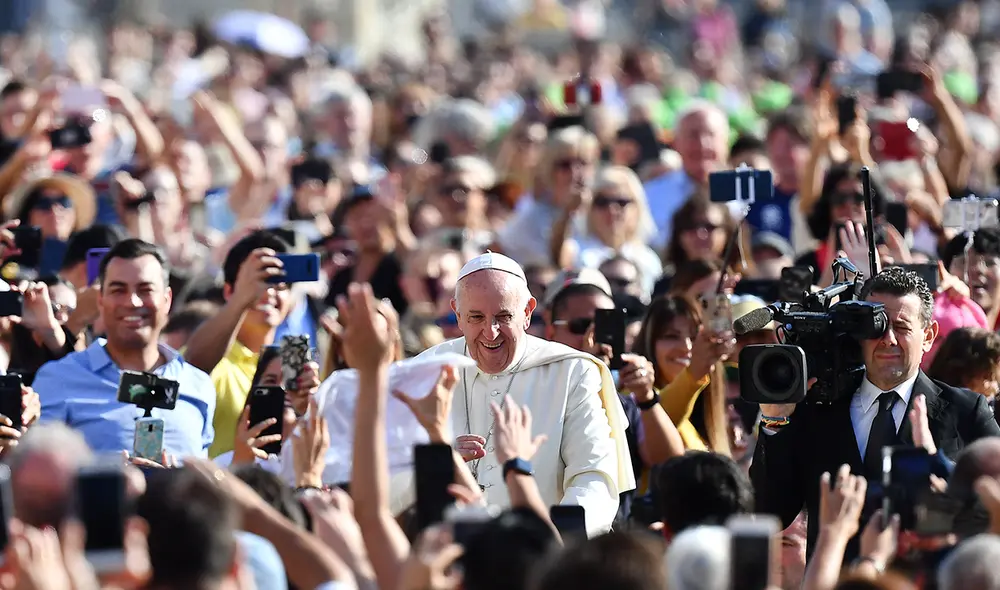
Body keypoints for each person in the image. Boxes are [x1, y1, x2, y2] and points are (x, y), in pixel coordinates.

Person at [750, 267, 1000, 557]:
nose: (888, 339)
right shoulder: (817, 409)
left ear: (929, 335)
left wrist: (938, 469)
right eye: (877, 326)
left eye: (902, 327)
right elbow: (768, 510)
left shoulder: (966, 411)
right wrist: (774, 421)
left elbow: (993, 505)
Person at [416, 252, 634, 535]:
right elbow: (388, 481)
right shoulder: (423, 372)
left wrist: (556, 544)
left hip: (541, 557)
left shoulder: (572, 371)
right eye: (476, 317)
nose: (490, 332)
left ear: (528, 312)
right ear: (457, 313)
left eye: (504, 317)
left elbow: (593, 476)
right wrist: (437, 462)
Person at [34, 239, 216, 457]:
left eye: (145, 289)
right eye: (118, 290)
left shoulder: (198, 385)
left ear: (167, 299)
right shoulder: (59, 379)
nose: (133, 302)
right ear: (100, 300)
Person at [541, 268, 684, 523]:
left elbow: (669, 460)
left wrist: (647, 397)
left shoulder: (627, 401)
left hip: (612, 538)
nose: (592, 339)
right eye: (581, 326)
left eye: (605, 325)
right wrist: (584, 374)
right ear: (552, 332)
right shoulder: (534, 390)